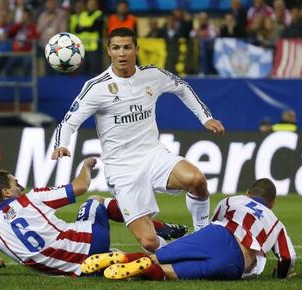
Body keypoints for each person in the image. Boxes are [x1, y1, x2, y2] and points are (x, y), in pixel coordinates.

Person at [52, 27, 225, 253]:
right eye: (116, 48)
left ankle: (203, 233)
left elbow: (182, 87)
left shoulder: (152, 75)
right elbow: (68, 122)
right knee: (150, 243)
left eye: (126, 47)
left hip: (153, 155)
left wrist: (205, 117)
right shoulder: (96, 88)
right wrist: (61, 144)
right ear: (109, 52)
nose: (122, 53)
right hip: (122, 168)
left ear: (136, 49)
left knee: (197, 179)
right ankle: (174, 248)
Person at [0, 157, 187, 277]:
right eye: (15, 183)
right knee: (96, 200)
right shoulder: (32, 198)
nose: (20, 186)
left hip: (75, 270)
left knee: (114, 258)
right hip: (90, 241)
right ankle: (157, 227)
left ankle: (140, 264)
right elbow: (81, 187)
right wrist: (85, 167)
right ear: (6, 192)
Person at [82, 178, 296, 281]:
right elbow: (287, 257)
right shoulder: (277, 224)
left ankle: (123, 257)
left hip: (216, 235)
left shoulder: (234, 200)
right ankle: (145, 268)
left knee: (158, 256)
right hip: (235, 262)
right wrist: (281, 276)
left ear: (249, 193)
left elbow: (214, 222)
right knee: (169, 274)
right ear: (273, 203)